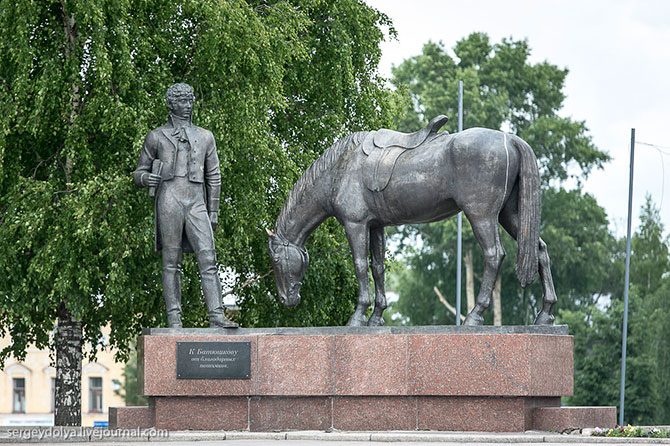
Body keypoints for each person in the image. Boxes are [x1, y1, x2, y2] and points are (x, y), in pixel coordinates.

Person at [134, 83, 237, 328]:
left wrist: (213, 210)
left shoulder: (205, 136)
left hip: (195, 200)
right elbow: (139, 171)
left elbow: (214, 175)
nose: (188, 105)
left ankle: (216, 315)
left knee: (208, 257)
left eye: (190, 100)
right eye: (182, 101)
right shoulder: (156, 136)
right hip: (169, 197)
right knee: (171, 260)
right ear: (171, 104)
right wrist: (146, 177)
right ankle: (174, 318)